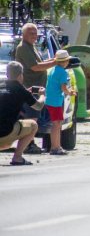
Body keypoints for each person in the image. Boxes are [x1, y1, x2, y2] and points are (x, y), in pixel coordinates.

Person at [13, 22, 57, 154]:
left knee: (33, 119)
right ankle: (28, 145)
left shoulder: (31, 46)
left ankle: (29, 143)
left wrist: (53, 60)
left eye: (35, 33)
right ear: (24, 34)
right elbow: (35, 67)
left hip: (37, 89)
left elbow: (40, 63)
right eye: (31, 33)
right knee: (31, 120)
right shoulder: (23, 48)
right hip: (30, 89)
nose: (34, 36)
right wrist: (55, 62)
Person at [0, 62, 45, 165]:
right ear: (21, 75)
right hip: (6, 133)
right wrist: (42, 95)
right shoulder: (20, 90)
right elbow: (38, 106)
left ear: (7, 75)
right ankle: (17, 157)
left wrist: (25, 93)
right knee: (33, 125)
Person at [45, 50, 76, 155]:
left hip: (50, 99)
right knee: (57, 124)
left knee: (56, 124)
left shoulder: (52, 70)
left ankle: (55, 146)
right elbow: (63, 87)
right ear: (66, 61)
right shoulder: (63, 72)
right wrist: (70, 92)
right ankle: (56, 147)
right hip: (56, 101)